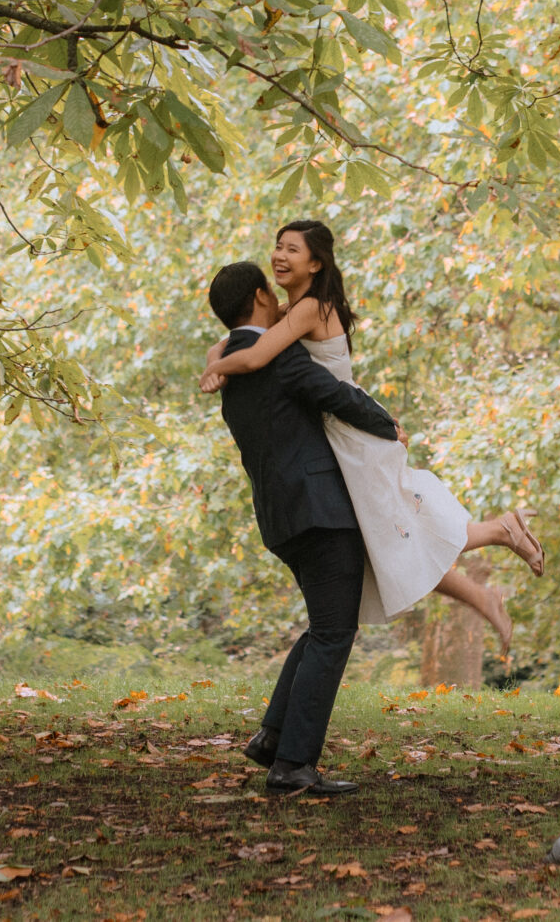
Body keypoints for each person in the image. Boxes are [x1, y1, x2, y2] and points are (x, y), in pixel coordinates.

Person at [202, 220, 545, 651]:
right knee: (387, 537)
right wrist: (216, 352)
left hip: (350, 430)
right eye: (278, 247)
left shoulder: (309, 309)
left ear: (316, 263)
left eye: (292, 250)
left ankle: (499, 534)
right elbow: (236, 340)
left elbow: (252, 356)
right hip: (337, 431)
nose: (280, 257)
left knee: (392, 529)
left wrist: (214, 368)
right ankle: (492, 563)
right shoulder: (293, 312)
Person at [203, 256, 399, 796]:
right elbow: (334, 394)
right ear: (263, 297)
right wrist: (389, 426)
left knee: (322, 626)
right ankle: (292, 764)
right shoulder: (277, 357)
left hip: (281, 517)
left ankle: (272, 738)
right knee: (334, 633)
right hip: (320, 513)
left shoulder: (230, 367)